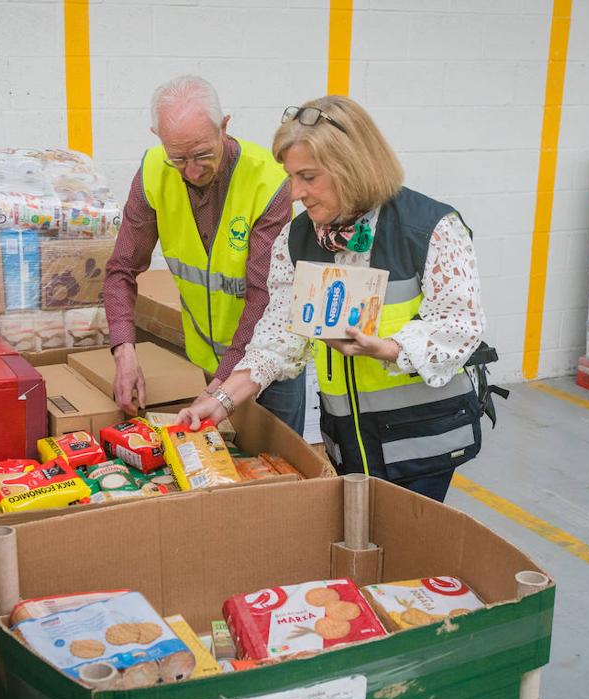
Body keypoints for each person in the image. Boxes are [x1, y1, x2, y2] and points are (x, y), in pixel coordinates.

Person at [178, 96, 488, 502]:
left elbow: (459, 326)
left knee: (404, 556)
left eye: (308, 176)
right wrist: (220, 401)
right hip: (350, 440)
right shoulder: (298, 240)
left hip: (421, 442)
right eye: (291, 176)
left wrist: (388, 348)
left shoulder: (428, 228)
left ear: (352, 166)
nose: (295, 193)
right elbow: (278, 337)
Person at [102, 75, 307, 435]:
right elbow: (121, 269)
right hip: (203, 363)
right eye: (178, 158)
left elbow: (263, 296)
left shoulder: (267, 182)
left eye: (202, 155)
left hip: (267, 365)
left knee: (275, 474)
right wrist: (124, 352)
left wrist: (222, 390)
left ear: (224, 126)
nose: (192, 171)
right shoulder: (153, 172)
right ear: (157, 137)